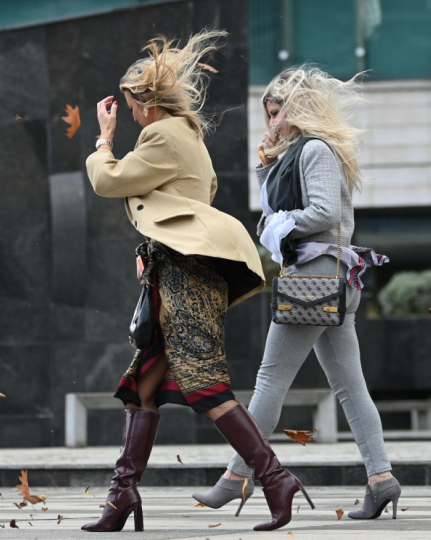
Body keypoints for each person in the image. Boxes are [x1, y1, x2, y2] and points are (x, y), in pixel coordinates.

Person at [82, 29, 313, 533]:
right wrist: (154, 247)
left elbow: (108, 180)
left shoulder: (161, 135)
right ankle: (122, 495)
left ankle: (276, 478)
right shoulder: (188, 136)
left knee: (205, 384)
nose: (130, 114)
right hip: (179, 269)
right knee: (142, 389)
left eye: (130, 106)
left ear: (145, 102)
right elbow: (192, 199)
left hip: (186, 277)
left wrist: (103, 139)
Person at [191, 65, 401, 521]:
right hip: (329, 278)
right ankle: (381, 479)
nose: (271, 123)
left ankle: (236, 476)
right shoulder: (299, 152)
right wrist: (266, 166)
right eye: (268, 114)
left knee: (270, 380)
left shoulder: (316, 150)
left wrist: (279, 225)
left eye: (276, 113)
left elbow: (324, 213)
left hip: (316, 276)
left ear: (299, 110)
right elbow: (277, 205)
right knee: (351, 386)